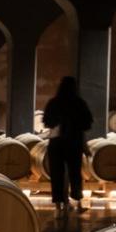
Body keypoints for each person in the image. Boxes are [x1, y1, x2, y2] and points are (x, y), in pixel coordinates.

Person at [42, 76, 93, 213]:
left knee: (57, 173)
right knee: (75, 173)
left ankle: (59, 205)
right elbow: (87, 123)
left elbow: (47, 121)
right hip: (74, 142)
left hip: (56, 142)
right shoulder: (79, 103)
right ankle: (78, 201)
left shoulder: (53, 102)